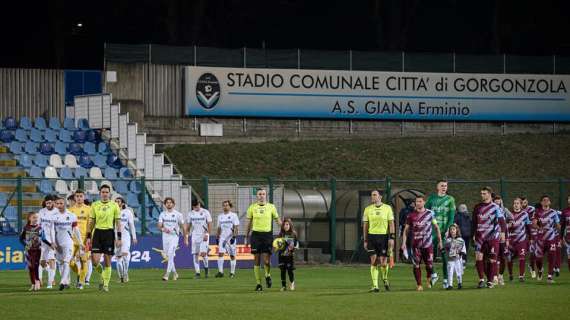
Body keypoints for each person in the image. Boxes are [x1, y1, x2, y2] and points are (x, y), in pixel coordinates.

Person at [401, 196, 442, 291]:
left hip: (428, 244)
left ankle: (429, 279)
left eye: (420, 201)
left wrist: (440, 241)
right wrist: (403, 243)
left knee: (429, 265)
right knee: (416, 264)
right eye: (416, 201)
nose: (418, 203)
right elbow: (406, 230)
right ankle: (419, 285)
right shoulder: (411, 215)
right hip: (415, 245)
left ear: (424, 202)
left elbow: (436, 227)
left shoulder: (430, 214)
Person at [85, 184, 122, 292]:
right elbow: (91, 222)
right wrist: (88, 236)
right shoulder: (95, 205)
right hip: (97, 233)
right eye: (103, 192)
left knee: (107, 261)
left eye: (107, 192)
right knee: (95, 261)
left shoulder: (114, 205)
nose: (105, 194)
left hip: (109, 233)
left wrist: (119, 238)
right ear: (100, 193)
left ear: (109, 193)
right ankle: (103, 275)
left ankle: (106, 284)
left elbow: (118, 223)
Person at [245, 188, 282, 292]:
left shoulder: (271, 207)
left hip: (267, 236)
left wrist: (284, 228)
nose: (261, 196)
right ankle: (258, 284)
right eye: (259, 194)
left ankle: (267, 274)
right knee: (256, 260)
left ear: (266, 195)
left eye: (263, 194)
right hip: (256, 235)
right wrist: (246, 236)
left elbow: (277, 220)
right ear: (257, 196)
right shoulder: (252, 207)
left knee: (266, 261)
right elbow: (249, 223)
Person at [472, 186, 506, 289]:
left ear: (490, 194)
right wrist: (473, 234)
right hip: (480, 236)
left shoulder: (495, 207)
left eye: (484, 193)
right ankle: (481, 279)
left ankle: (490, 281)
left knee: (492, 259)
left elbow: (502, 221)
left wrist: (503, 233)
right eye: (481, 193)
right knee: (479, 257)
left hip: (492, 236)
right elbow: (474, 222)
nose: (482, 195)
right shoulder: (477, 207)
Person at [425, 180, 456, 288]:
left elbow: (451, 216)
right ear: (437, 187)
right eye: (442, 185)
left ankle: (446, 280)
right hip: (431, 231)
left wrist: (448, 229)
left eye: (446, 186)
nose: (444, 187)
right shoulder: (431, 199)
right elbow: (425, 212)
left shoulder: (450, 199)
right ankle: (433, 274)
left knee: (444, 256)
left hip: (444, 231)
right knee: (427, 254)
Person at [363, 190, 395, 292]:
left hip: (384, 237)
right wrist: (365, 240)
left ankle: (385, 279)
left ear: (380, 197)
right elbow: (365, 225)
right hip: (372, 237)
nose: (372, 197)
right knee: (374, 260)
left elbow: (391, 224)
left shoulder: (387, 208)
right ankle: (375, 286)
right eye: (372, 195)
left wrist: (392, 238)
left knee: (383, 263)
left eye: (374, 195)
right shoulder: (367, 209)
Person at [53, 196, 82, 291]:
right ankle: (66, 282)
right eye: (57, 203)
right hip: (57, 242)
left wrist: (80, 242)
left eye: (61, 203)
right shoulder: (53, 216)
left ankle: (62, 281)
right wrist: (54, 243)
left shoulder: (71, 215)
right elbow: (51, 231)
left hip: (68, 241)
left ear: (65, 204)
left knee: (66, 261)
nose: (59, 205)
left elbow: (76, 229)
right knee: (60, 262)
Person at [531, 195, 561, 284]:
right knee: (538, 259)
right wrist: (538, 227)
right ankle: (540, 270)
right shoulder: (537, 212)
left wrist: (561, 231)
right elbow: (533, 224)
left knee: (552, 256)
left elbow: (558, 224)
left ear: (550, 202)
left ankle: (549, 277)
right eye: (544, 200)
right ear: (541, 202)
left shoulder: (553, 212)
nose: (546, 202)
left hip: (551, 238)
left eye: (547, 200)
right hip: (540, 238)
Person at [158, 197, 185, 281]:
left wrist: (186, 236)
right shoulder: (162, 214)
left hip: (174, 237)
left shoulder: (178, 214)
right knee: (169, 256)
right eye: (167, 202)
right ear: (165, 204)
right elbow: (159, 225)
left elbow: (183, 225)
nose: (169, 204)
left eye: (170, 202)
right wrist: (163, 229)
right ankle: (175, 273)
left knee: (170, 253)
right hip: (165, 237)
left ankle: (167, 274)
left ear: (173, 204)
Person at [68, 190, 91, 290]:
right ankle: (79, 273)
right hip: (72, 240)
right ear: (74, 198)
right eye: (77, 196)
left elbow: (91, 225)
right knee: (69, 261)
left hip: (84, 239)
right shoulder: (70, 210)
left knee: (83, 261)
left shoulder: (89, 209)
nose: (79, 198)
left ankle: (81, 282)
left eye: (81, 196)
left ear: (84, 197)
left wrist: (89, 238)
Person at [185, 199, 212, 279]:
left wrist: (207, 234)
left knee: (203, 254)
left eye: (197, 205)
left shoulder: (205, 212)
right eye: (195, 206)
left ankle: (206, 270)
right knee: (195, 254)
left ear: (199, 204)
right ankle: (197, 273)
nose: (196, 207)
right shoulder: (190, 214)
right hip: (194, 236)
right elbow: (188, 226)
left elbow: (209, 224)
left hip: (204, 235)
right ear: (192, 206)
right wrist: (186, 237)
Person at [507, 197, 532, 282]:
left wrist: (531, 238)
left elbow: (528, 227)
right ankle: (510, 274)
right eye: (514, 203)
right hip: (511, 240)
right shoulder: (509, 214)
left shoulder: (525, 214)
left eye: (518, 203)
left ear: (521, 205)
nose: (516, 205)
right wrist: (509, 226)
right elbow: (505, 227)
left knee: (522, 257)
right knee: (509, 258)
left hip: (522, 240)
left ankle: (521, 276)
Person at [19, 212, 45, 291]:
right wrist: (25, 245)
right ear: (29, 218)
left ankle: (37, 281)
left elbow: (43, 238)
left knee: (36, 265)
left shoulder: (40, 228)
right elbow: (21, 239)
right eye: (34, 217)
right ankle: (33, 284)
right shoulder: (26, 228)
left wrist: (50, 245)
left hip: (37, 250)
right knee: (30, 267)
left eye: (36, 218)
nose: (35, 219)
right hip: (28, 250)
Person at [115, 196, 137, 283]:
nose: (116, 202)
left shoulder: (127, 212)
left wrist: (134, 237)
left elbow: (131, 225)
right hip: (116, 237)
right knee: (118, 258)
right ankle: (120, 277)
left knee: (124, 255)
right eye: (115, 201)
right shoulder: (112, 212)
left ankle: (125, 274)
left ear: (122, 203)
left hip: (126, 236)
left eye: (118, 201)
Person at [215, 200, 240, 278]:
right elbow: (219, 228)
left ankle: (232, 273)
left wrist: (234, 237)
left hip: (230, 238)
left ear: (230, 206)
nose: (225, 207)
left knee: (232, 255)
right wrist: (217, 237)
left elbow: (236, 227)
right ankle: (220, 272)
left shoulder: (234, 215)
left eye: (227, 205)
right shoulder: (220, 216)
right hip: (222, 238)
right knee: (220, 254)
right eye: (224, 205)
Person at [38, 194, 58, 289]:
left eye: (50, 203)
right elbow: (38, 225)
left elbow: (55, 228)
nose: (48, 204)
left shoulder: (57, 212)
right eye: (47, 203)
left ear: (53, 203)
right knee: (42, 262)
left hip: (52, 240)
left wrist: (54, 241)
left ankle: (50, 283)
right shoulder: (41, 212)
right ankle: (50, 275)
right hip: (42, 240)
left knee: (52, 260)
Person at [493, 195, 512, 286]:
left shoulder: (504, 211)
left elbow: (506, 226)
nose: (497, 201)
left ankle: (500, 276)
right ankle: (494, 277)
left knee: (503, 257)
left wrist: (507, 238)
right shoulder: (491, 211)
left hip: (503, 238)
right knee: (494, 257)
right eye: (495, 200)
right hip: (494, 237)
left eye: (499, 200)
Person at [276, 218, 299, 291]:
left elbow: (297, 244)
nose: (286, 226)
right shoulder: (281, 234)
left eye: (287, 224)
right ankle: (283, 286)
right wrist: (277, 247)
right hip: (282, 256)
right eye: (284, 225)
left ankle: (292, 283)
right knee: (282, 270)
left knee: (290, 270)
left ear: (290, 225)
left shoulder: (294, 233)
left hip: (289, 256)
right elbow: (277, 244)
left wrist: (293, 248)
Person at [521, 197, 538, 278]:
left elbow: (535, 219)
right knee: (523, 253)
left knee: (533, 251)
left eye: (525, 201)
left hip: (532, 233)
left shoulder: (532, 209)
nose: (524, 203)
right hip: (522, 234)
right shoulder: (518, 210)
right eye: (522, 202)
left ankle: (532, 268)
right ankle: (521, 273)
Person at [562, 195, 570, 272]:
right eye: (569, 199)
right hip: (568, 237)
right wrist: (561, 238)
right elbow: (562, 226)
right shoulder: (565, 211)